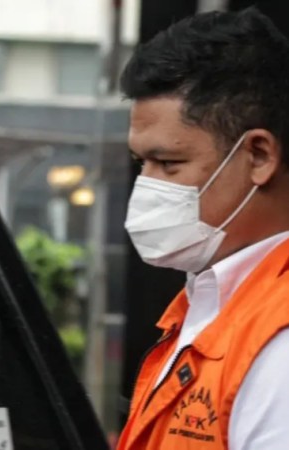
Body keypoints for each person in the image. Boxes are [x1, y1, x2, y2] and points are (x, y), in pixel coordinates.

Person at [119, 7, 289, 450]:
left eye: (168, 163)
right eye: (141, 163)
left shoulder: (280, 343)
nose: (147, 186)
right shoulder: (212, 302)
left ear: (259, 156)